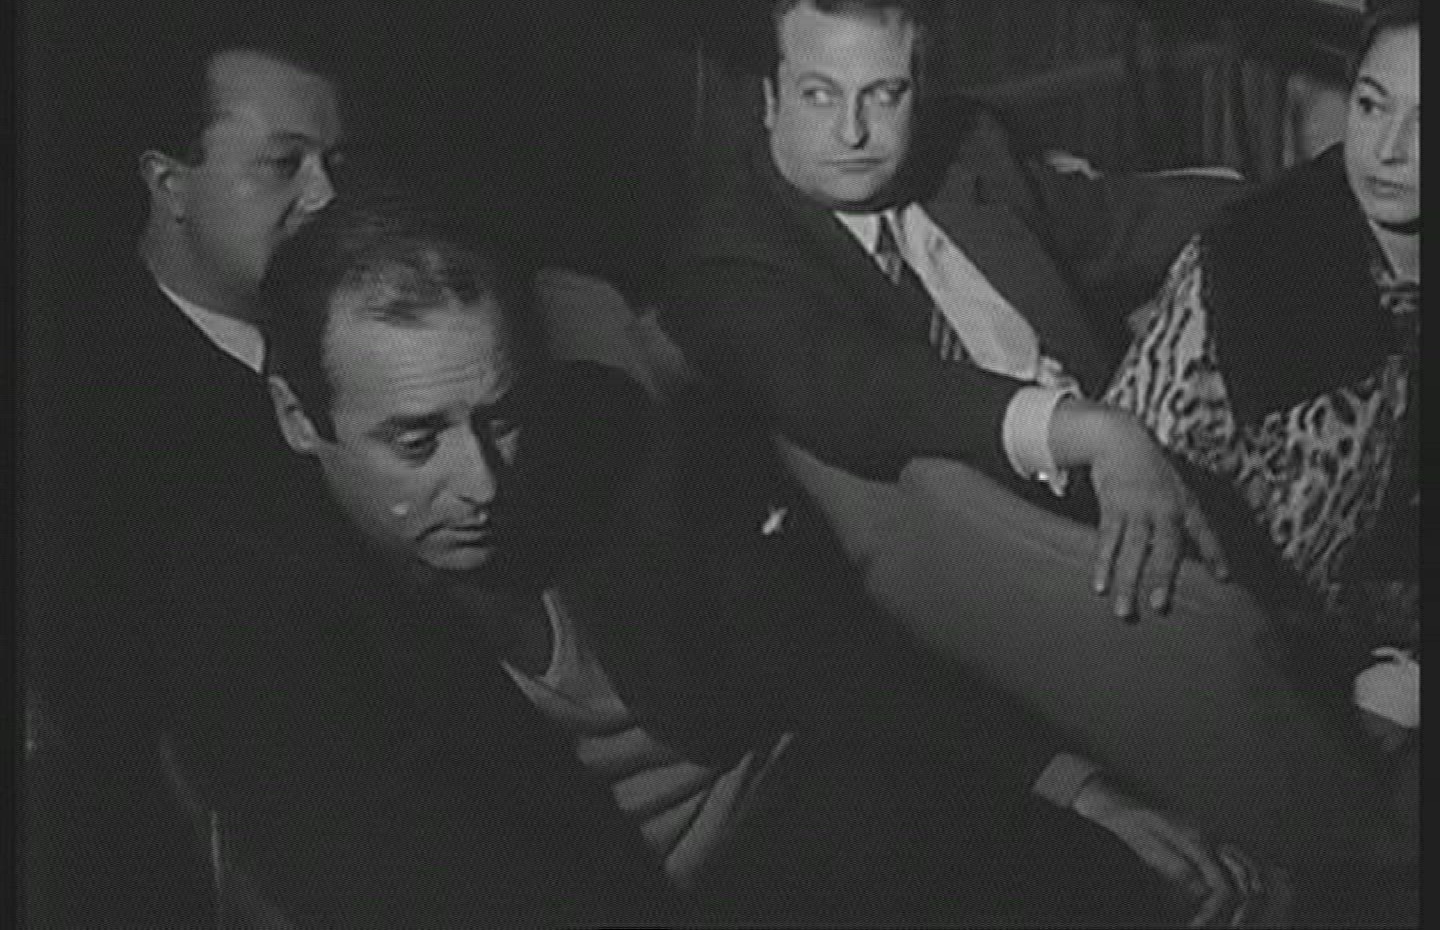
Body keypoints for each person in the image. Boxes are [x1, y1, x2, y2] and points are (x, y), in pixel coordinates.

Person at [157, 190, 1267, 927]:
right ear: (298, 417)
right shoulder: (254, 623)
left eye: (498, 417)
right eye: (415, 442)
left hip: (807, 815)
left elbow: (823, 647)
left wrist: (1075, 788)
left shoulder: (597, 437)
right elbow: (448, 901)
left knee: (1180, 886)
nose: (484, 481)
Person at [663, 0, 1228, 623]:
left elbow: (1110, 219)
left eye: (884, 94)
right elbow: (869, 388)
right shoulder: (729, 254)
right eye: (819, 94)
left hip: (1142, 442)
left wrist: (1304, 194)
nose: (852, 131)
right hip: (1035, 556)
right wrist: (1090, 429)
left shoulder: (963, 153)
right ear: (769, 99)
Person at [1104, 0, 1419, 893]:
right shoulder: (1252, 268)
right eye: (1372, 105)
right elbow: (1155, 569)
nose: (1389, 151)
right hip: (1241, 686)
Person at [23, 34, 347, 925]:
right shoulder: (78, 410)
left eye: (335, 164)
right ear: (170, 183)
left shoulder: (353, 331)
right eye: (283, 165)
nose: (327, 198)